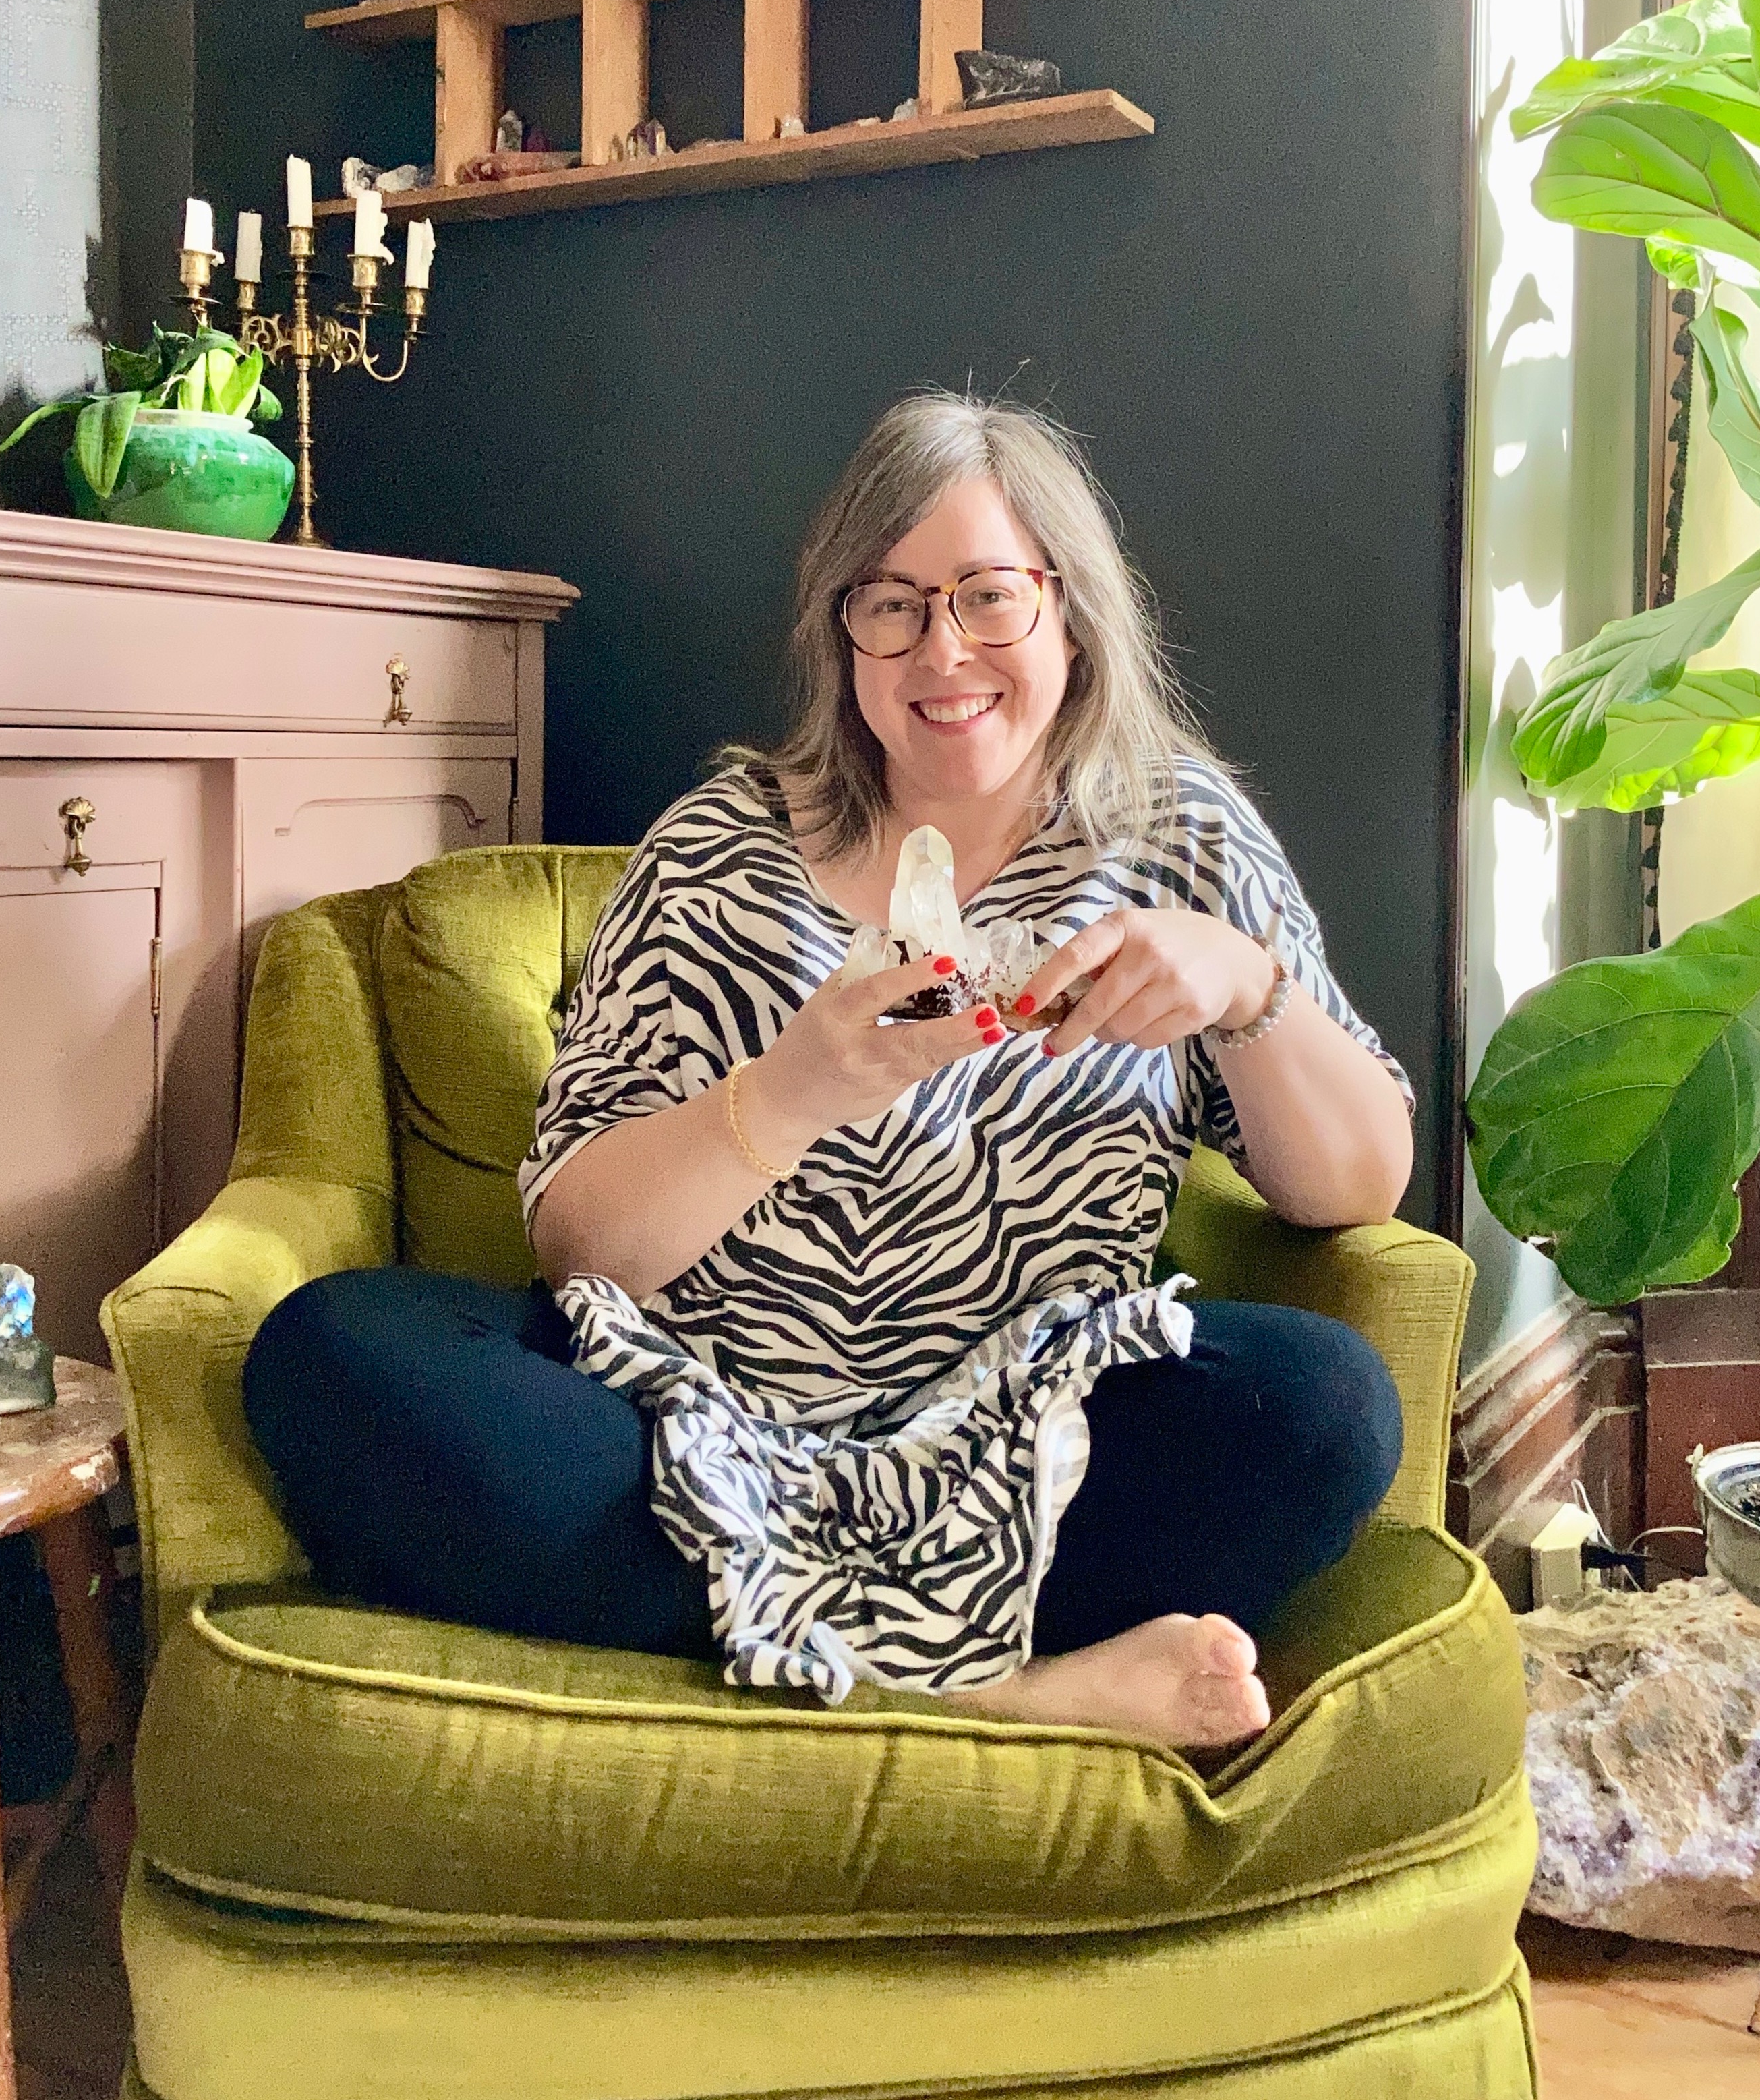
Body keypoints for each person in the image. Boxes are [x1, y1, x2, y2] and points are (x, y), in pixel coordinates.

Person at [245, 392, 1415, 1752]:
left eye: (989, 596)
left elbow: (1358, 1182)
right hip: (690, 1432)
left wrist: (1243, 983)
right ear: (840, 632)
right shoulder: (715, 852)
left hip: (1030, 1444)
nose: (942, 648)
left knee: (1325, 1404)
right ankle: (1000, 1689)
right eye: (892, 604)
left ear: (1069, 611)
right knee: (326, 1352)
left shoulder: (1179, 834)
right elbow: (580, 1248)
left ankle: (771, 1644)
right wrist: (792, 1091)